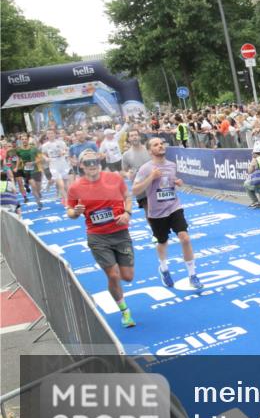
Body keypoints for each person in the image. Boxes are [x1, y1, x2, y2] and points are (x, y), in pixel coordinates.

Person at [65, 150, 136, 328]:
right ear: (81, 165)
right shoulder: (75, 187)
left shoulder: (114, 178)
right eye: (87, 162)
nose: (92, 165)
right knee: (113, 275)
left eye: (95, 161)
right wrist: (76, 212)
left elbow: (127, 197)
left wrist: (128, 213)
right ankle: (125, 312)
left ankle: (118, 287)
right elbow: (70, 211)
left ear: (100, 162)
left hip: (120, 233)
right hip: (97, 237)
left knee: (127, 277)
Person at [132, 138, 202, 290]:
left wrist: (177, 182)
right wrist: (151, 177)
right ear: (150, 151)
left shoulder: (172, 165)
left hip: (174, 207)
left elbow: (169, 183)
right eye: (156, 145)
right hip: (156, 212)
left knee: (185, 238)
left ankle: (192, 275)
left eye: (161, 143)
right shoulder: (145, 168)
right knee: (162, 242)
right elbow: (135, 190)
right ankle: (163, 268)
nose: (160, 146)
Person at [41, 128, 72, 204]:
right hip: (53, 164)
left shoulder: (61, 142)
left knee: (66, 184)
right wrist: (46, 158)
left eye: (52, 133)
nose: (50, 135)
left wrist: (63, 152)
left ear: (55, 134)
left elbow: (66, 150)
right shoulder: (45, 145)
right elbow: (43, 154)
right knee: (60, 184)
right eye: (48, 133)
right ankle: (67, 201)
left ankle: (69, 198)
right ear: (47, 135)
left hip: (62, 162)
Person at [15, 135, 43, 210]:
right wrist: (17, 167)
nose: (24, 140)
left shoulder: (34, 148)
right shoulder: (18, 150)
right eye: (22, 139)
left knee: (38, 187)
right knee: (33, 186)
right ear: (20, 140)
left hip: (36, 170)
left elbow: (40, 159)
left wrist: (33, 162)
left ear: (28, 140)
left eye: (25, 139)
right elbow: (18, 159)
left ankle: (39, 192)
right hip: (27, 171)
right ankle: (38, 203)